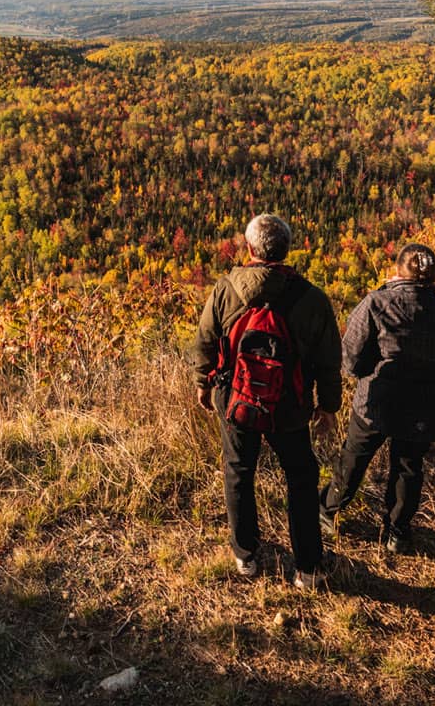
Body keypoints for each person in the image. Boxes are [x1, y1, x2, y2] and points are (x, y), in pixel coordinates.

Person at [195, 213, 342, 589]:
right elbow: (328, 359)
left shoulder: (226, 289)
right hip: (289, 402)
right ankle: (308, 567)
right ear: (287, 250)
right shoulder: (312, 298)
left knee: (238, 470)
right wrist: (328, 406)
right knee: (301, 477)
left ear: (249, 249)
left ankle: (246, 555)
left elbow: (206, 341)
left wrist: (203, 384)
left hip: (236, 397)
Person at [320, 243, 435, 553]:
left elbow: (350, 359)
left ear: (397, 271)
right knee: (409, 465)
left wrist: (370, 374)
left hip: (377, 401)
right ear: (434, 275)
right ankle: (397, 531)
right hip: (427, 405)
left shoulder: (377, 303)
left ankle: (328, 511)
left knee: (354, 458)